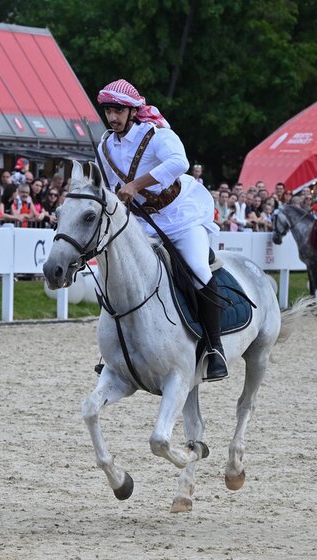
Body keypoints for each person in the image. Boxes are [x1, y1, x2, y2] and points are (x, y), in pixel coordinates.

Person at [96, 78, 226, 381]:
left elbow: (179, 162)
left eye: (118, 111)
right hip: (141, 220)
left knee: (196, 269)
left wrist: (136, 185)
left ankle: (214, 347)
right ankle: (115, 351)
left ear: (132, 111)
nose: (112, 117)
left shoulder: (156, 135)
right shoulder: (104, 145)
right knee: (119, 275)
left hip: (180, 214)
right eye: (108, 111)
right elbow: (109, 186)